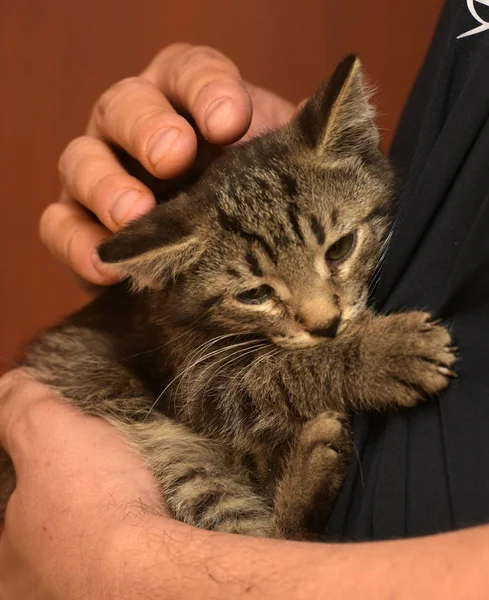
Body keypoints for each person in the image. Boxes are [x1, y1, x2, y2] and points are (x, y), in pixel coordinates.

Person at [2, 0, 489, 596]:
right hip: (117, 427)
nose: (323, 315)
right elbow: (212, 396)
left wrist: (118, 561)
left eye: (338, 252)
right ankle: (279, 533)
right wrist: (341, 367)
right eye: (259, 293)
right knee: (186, 474)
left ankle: (284, 533)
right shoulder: (201, 315)